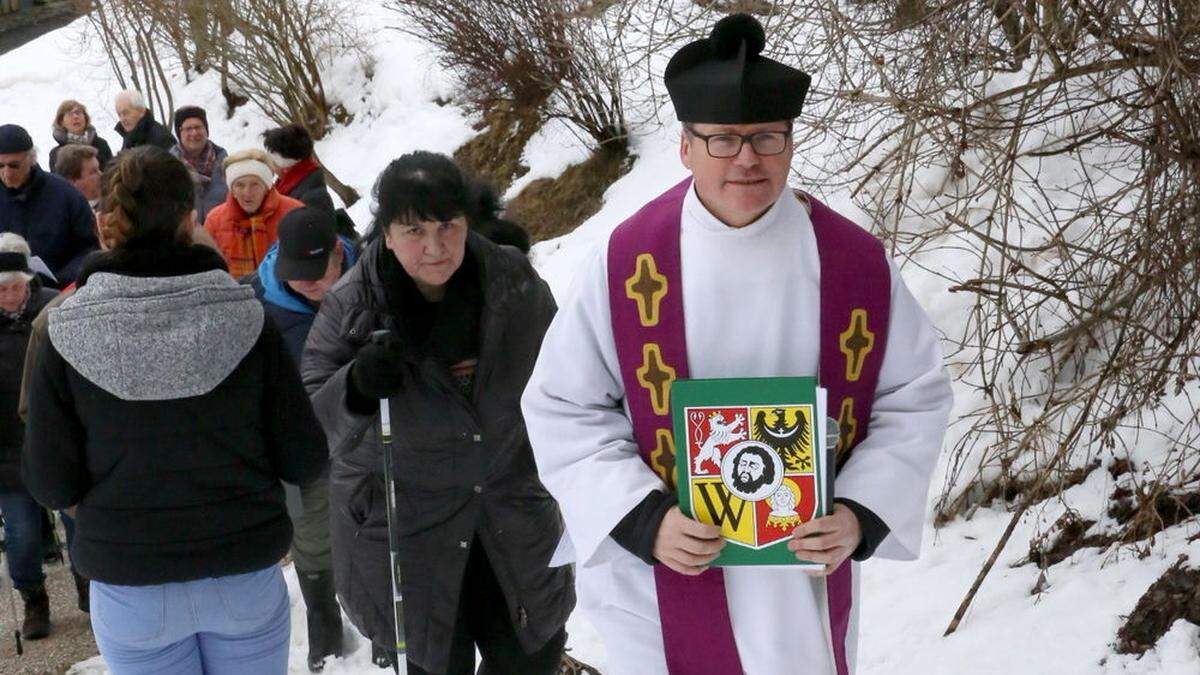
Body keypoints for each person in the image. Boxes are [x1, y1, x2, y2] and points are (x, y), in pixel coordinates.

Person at [520, 13, 954, 675]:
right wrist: (642, 517)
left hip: (801, 575)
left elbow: (913, 398)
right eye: (722, 139)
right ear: (686, 147)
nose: (746, 158)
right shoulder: (628, 261)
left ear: (788, 142)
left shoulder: (853, 264)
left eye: (766, 137)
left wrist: (861, 512)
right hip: (669, 569)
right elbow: (562, 406)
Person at [22, 146, 329, 675]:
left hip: (129, 580)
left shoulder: (64, 330)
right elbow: (303, 457)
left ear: (104, 227)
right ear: (191, 221)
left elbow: (51, 483)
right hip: (242, 567)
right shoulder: (249, 318)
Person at [302, 151, 574, 675]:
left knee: (530, 656)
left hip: (510, 521)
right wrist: (355, 387)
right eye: (413, 231)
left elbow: (570, 379)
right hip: (405, 536)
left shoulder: (511, 282)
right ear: (385, 233)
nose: (434, 247)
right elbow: (312, 432)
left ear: (468, 219)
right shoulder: (352, 305)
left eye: (447, 225)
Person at [246, 206, 357, 672]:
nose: (307, 283)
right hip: (300, 441)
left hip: (366, 430)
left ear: (338, 253)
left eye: (317, 273)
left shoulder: (373, 277)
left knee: (380, 524)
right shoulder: (257, 303)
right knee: (312, 532)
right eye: (297, 274)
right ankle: (323, 620)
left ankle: (387, 624)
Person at [0, 233, 64, 641]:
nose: (9, 297)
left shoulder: (56, 308)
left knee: (79, 524)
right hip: (7, 449)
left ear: (29, 281)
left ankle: (89, 588)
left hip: (57, 439)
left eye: (16, 287)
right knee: (21, 535)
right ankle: (33, 598)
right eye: (1, 289)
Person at [0, 124, 99, 286]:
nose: (7, 173)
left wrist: (61, 280)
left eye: (14, 165)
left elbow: (89, 248)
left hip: (54, 292)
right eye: (0, 166)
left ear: (31, 159)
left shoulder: (65, 195)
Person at [204, 148, 302, 278]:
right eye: (240, 185)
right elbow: (206, 269)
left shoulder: (294, 212)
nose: (247, 193)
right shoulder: (215, 220)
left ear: (267, 187)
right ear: (231, 189)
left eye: (255, 184)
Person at [170, 106, 228, 224]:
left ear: (206, 130)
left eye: (198, 127)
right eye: (188, 129)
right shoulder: (168, 166)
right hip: (184, 237)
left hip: (219, 234)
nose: (194, 132)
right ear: (179, 133)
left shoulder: (225, 163)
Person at [262, 123, 335, 212]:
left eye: (272, 162)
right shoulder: (293, 185)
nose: (270, 167)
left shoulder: (308, 198)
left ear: (285, 167)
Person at [48, 100, 114, 172]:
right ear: (61, 122)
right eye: (70, 114)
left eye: (78, 113)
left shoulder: (101, 144)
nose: (75, 117)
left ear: (85, 118)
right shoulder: (56, 153)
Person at [54, 144, 103, 211]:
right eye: (93, 172)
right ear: (72, 180)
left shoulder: (115, 209)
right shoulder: (60, 215)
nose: (101, 175)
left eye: (99, 169)